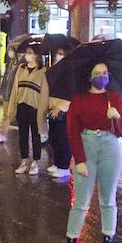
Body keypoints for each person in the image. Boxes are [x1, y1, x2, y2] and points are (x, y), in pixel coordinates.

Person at [63, 62, 122, 243]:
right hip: (86, 145)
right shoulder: (79, 100)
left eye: (105, 73)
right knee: (80, 202)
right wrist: (80, 160)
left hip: (110, 147)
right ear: (89, 76)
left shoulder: (115, 99)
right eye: (97, 73)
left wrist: (117, 117)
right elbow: (72, 131)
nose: (101, 77)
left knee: (108, 200)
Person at [3, 47, 50, 175]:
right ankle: (24, 161)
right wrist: (12, 108)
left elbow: (44, 93)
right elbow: (15, 89)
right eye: (27, 52)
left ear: (36, 55)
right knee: (22, 135)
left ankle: (35, 162)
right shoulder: (21, 68)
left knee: (36, 135)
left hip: (35, 107)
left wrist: (42, 110)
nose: (27, 55)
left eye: (30, 53)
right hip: (21, 106)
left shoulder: (43, 71)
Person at [45, 46, 74, 182]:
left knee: (63, 139)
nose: (58, 56)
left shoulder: (71, 72)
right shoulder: (54, 69)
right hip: (52, 108)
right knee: (54, 137)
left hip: (64, 110)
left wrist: (61, 107)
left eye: (61, 54)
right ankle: (57, 162)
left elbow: (72, 94)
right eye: (57, 53)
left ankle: (64, 167)